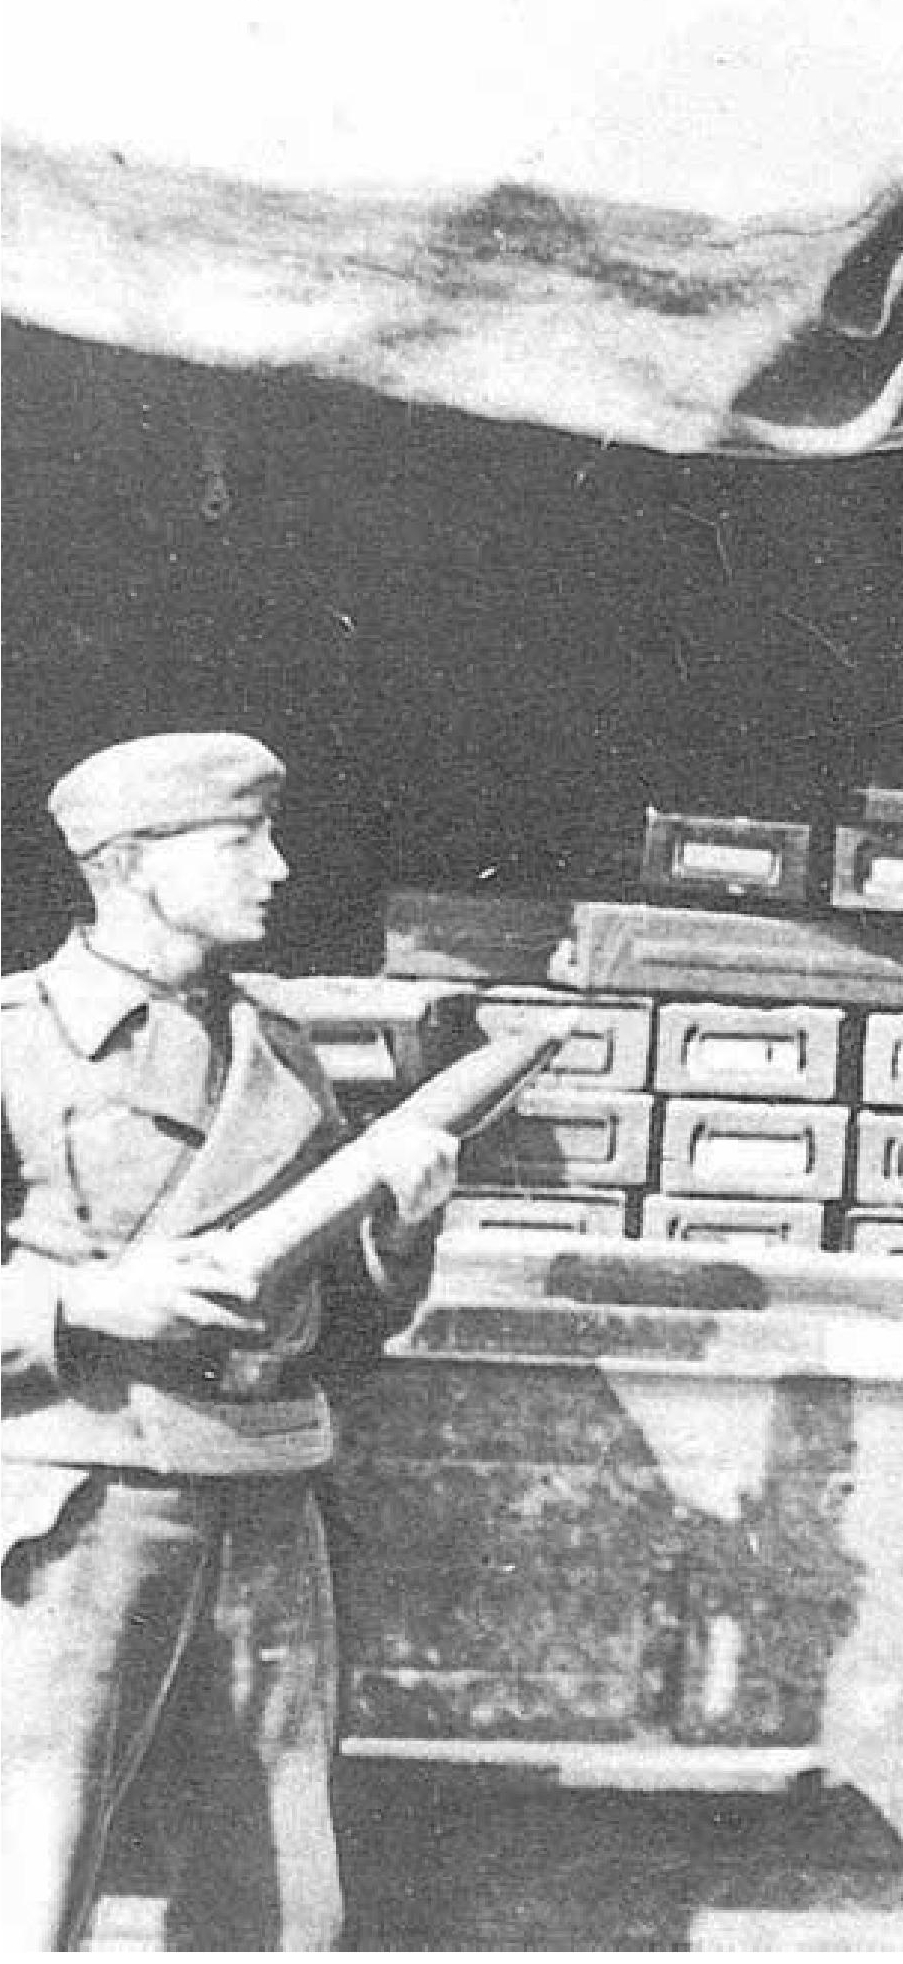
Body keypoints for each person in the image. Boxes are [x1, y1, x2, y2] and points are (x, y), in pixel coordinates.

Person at [1, 731, 458, 1949]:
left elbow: (339, 1329)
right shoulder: (16, 1043)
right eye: (241, 841)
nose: (278, 868)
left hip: (268, 1494)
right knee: (26, 1874)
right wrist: (79, 1307)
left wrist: (400, 1232)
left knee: (281, 1898)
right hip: (85, 1503)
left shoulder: (282, 1047)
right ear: (129, 862)